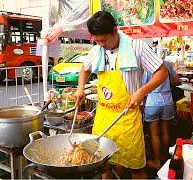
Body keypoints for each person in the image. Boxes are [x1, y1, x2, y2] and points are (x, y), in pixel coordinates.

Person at [74, 11, 169, 178]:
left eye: (104, 40)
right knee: (104, 164)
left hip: (127, 118)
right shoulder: (96, 50)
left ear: (114, 31)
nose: (101, 44)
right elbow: (85, 68)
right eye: (97, 40)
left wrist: (141, 91)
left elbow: (162, 72)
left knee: (136, 167)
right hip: (104, 116)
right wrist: (80, 88)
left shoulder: (136, 47)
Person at [142, 61, 180, 169]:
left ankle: (157, 161)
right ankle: (164, 157)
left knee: (155, 134)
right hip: (167, 100)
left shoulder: (146, 65)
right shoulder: (167, 63)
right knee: (165, 129)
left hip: (152, 101)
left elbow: (142, 85)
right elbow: (176, 80)